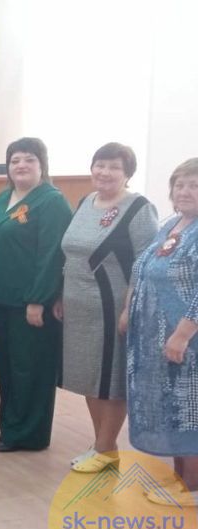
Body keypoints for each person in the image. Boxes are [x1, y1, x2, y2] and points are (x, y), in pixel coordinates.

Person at [57, 143, 157, 472]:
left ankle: (105, 447)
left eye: (114, 167)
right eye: (100, 165)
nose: (105, 172)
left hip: (112, 308)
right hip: (77, 306)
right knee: (89, 376)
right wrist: (60, 295)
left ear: (128, 173)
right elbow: (71, 255)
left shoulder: (138, 208)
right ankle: (103, 444)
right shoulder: (86, 201)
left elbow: (144, 264)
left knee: (110, 378)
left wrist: (130, 308)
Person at [0, 137, 72, 452]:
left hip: (29, 303)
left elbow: (51, 255)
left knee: (30, 368)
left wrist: (38, 299)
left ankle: (29, 434)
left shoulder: (51, 202)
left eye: (29, 159)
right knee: (8, 367)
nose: (21, 165)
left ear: (42, 165)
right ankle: (11, 426)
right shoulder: (4, 196)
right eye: (15, 160)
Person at [127, 158, 198, 507]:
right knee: (173, 406)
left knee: (189, 407)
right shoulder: (173, 224)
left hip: (186, 338)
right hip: (159, 334)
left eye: (194, 186)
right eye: (179, 185)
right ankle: (182, 478)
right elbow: (144, 268)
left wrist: (182, 334)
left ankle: (193, 488)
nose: (185, 191)